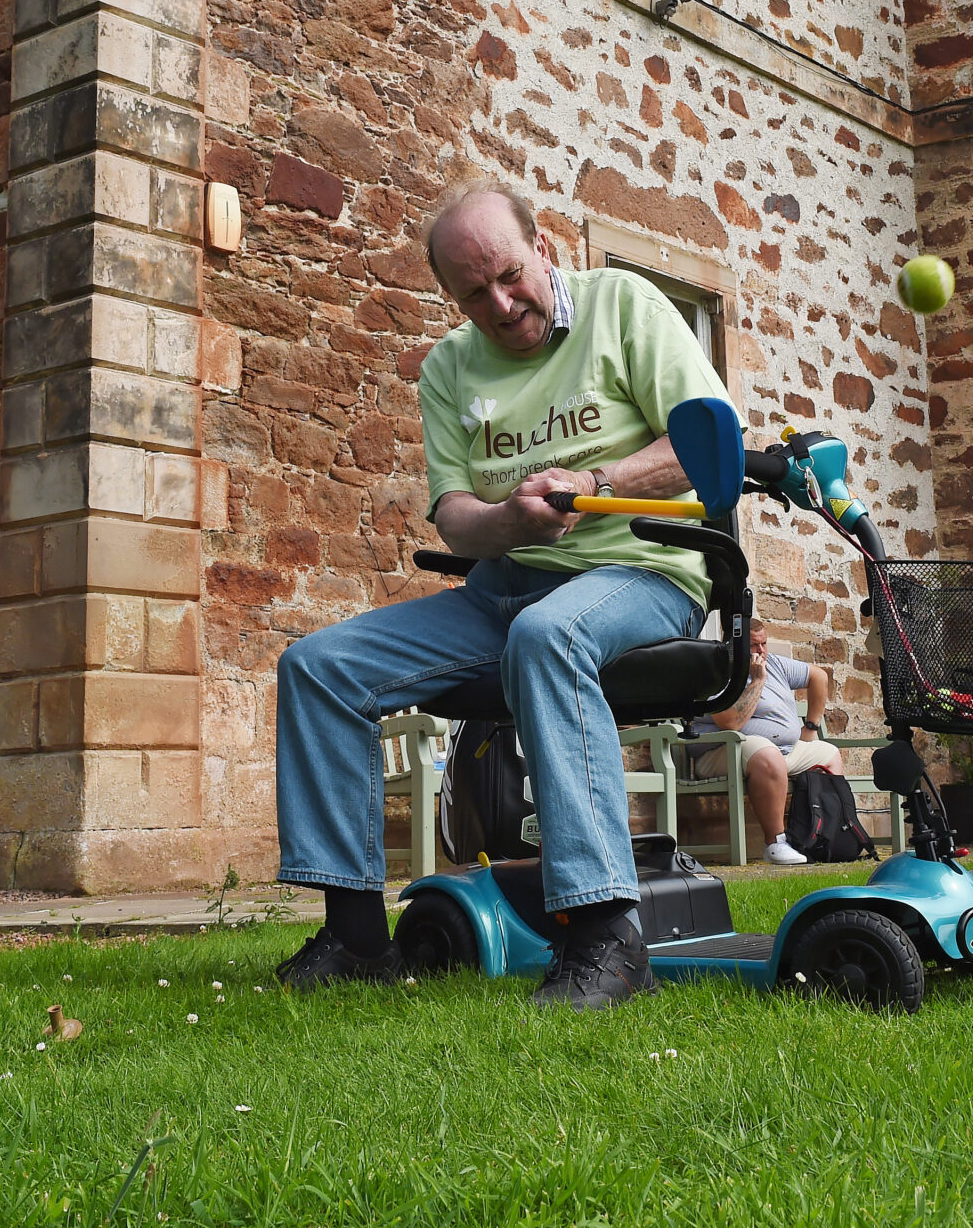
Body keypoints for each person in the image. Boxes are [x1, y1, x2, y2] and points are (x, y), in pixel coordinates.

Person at [271, 181, 730, 1010]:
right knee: (317, 666)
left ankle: (606, 941)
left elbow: (708, 438)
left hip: (643, 573)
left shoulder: (621, 305)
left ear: (542, 245)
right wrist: (507, 521)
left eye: (510, 275)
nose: (501, 302)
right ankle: (356, 938)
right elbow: (455, 517)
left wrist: (597, 480)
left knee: (549, 636)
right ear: (449, 295)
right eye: (473, 292)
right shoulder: (448, 368)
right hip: (505, 588)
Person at [689, 622, 844, 865]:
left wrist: (811, 727)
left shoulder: (777, 664)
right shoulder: (717, 674)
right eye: (753, 645)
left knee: (829, 754)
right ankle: (775, 843)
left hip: (779, 751)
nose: (761, 651)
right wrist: (758, 680)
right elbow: (731, 722)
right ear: (733, 646)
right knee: (767, 754)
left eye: (764, 643)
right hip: (722, 751)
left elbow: (819, 676)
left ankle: (820, 837)